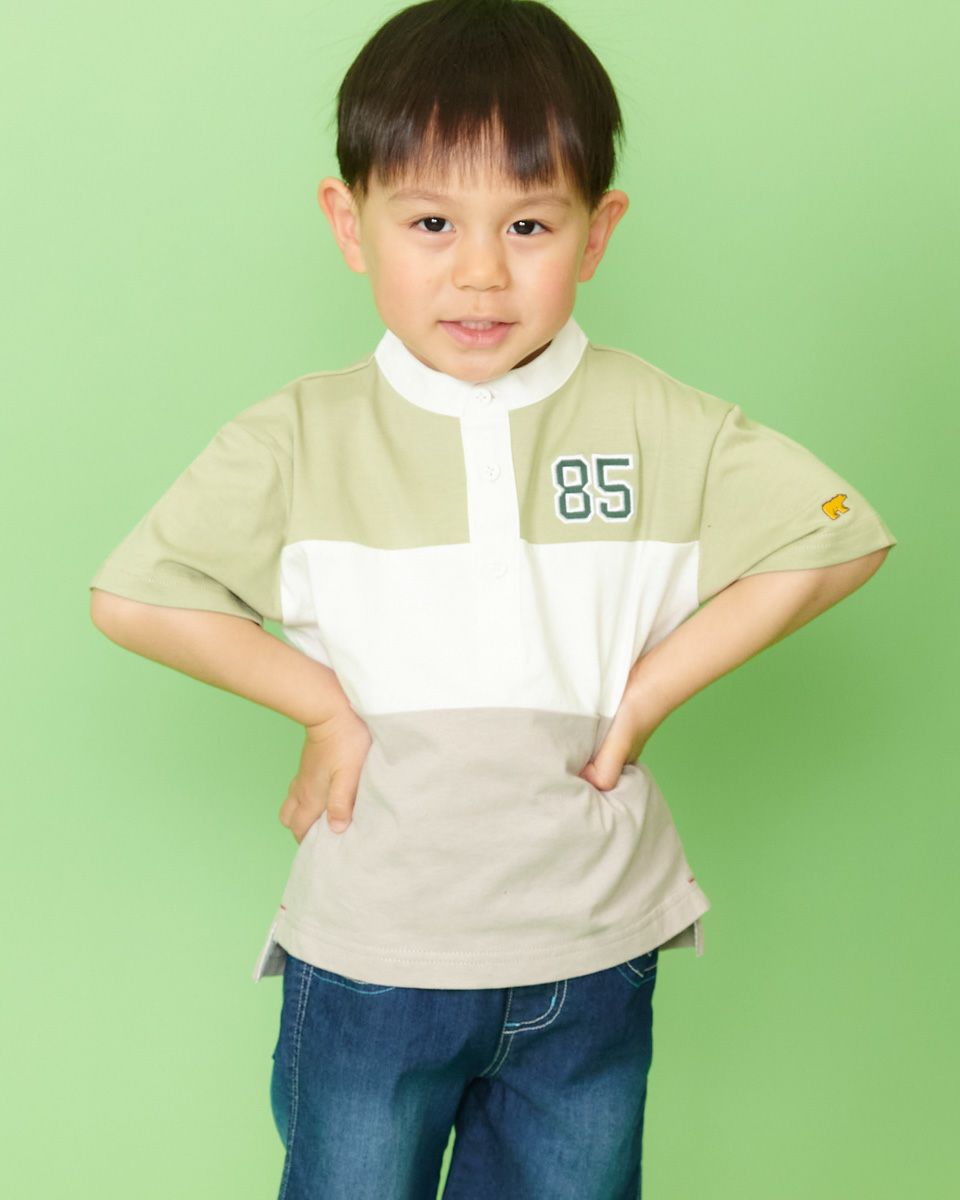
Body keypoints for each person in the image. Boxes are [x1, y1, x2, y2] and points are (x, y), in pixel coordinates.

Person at [87, 1, 897, 1196]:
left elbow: (839, 533)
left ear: (597, 231)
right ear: (350, 223)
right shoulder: (300, 437)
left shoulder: (657, 420)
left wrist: (648, 692)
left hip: (595, 946)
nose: (479, 271)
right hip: (374, 954)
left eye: (528, 224)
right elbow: (138, 595)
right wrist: (322, 706)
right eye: (430, 222)